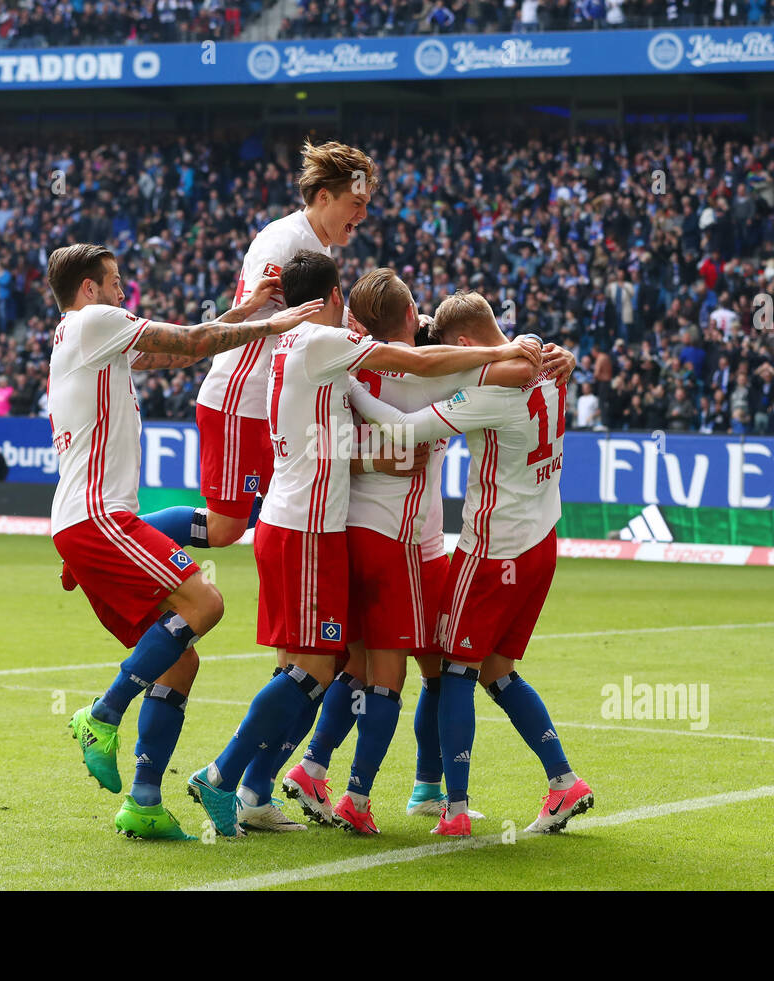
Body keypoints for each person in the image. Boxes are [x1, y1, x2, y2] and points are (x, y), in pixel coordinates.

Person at [185, 251, 541, 837]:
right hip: (328, 529)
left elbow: (356, 408)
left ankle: (260, 786)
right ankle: (233, 776)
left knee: (322, 669)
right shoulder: (334, 346)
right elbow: (414, 360)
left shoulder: (305, 347)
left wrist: (376, 448)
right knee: (341, 671)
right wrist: (512, 349)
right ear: (329, 299)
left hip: (321, 526)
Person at [280, 267, 573, 834]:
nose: (424, 315)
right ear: (409, 319)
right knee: (420, 671)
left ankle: (344, 774)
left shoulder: (343, 362)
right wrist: (535, 349)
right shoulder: (437, 372)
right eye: (416, 307)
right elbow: (494, 371)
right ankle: (368, 793)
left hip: (364, 529)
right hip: (405, 538)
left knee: (371, 665)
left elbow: (327, 439)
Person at [51, 242, 324, 842]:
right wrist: (274, 323)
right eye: (116, 281)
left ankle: (144, 802)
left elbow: (171, 356)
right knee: (206, 604)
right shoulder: (97, 321)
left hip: (87, 521)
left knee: (181, 660)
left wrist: (247, 308)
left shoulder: (89, 338)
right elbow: (194, 342)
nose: (124, 291)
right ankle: (103, 714)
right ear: (90, 288)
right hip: (98, 517)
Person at [347, 290, 595, 837]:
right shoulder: (550, 366)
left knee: (455, 669)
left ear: (464, 344)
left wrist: (351, 388)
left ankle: (453, 811)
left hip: (493, 549)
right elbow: (542, 360)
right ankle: (563, 782)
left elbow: (406, 431)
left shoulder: (493, 387)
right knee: (498, 672)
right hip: (542, 543)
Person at [193, 139, 377, 549]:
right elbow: (289, 323)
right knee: (226, 529)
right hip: (241, 401)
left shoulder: (315, 244)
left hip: (277, 407)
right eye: (356, 203)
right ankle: (120, 538)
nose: (363, 214)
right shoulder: (286, 242)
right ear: (325, 197)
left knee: (298, 512)